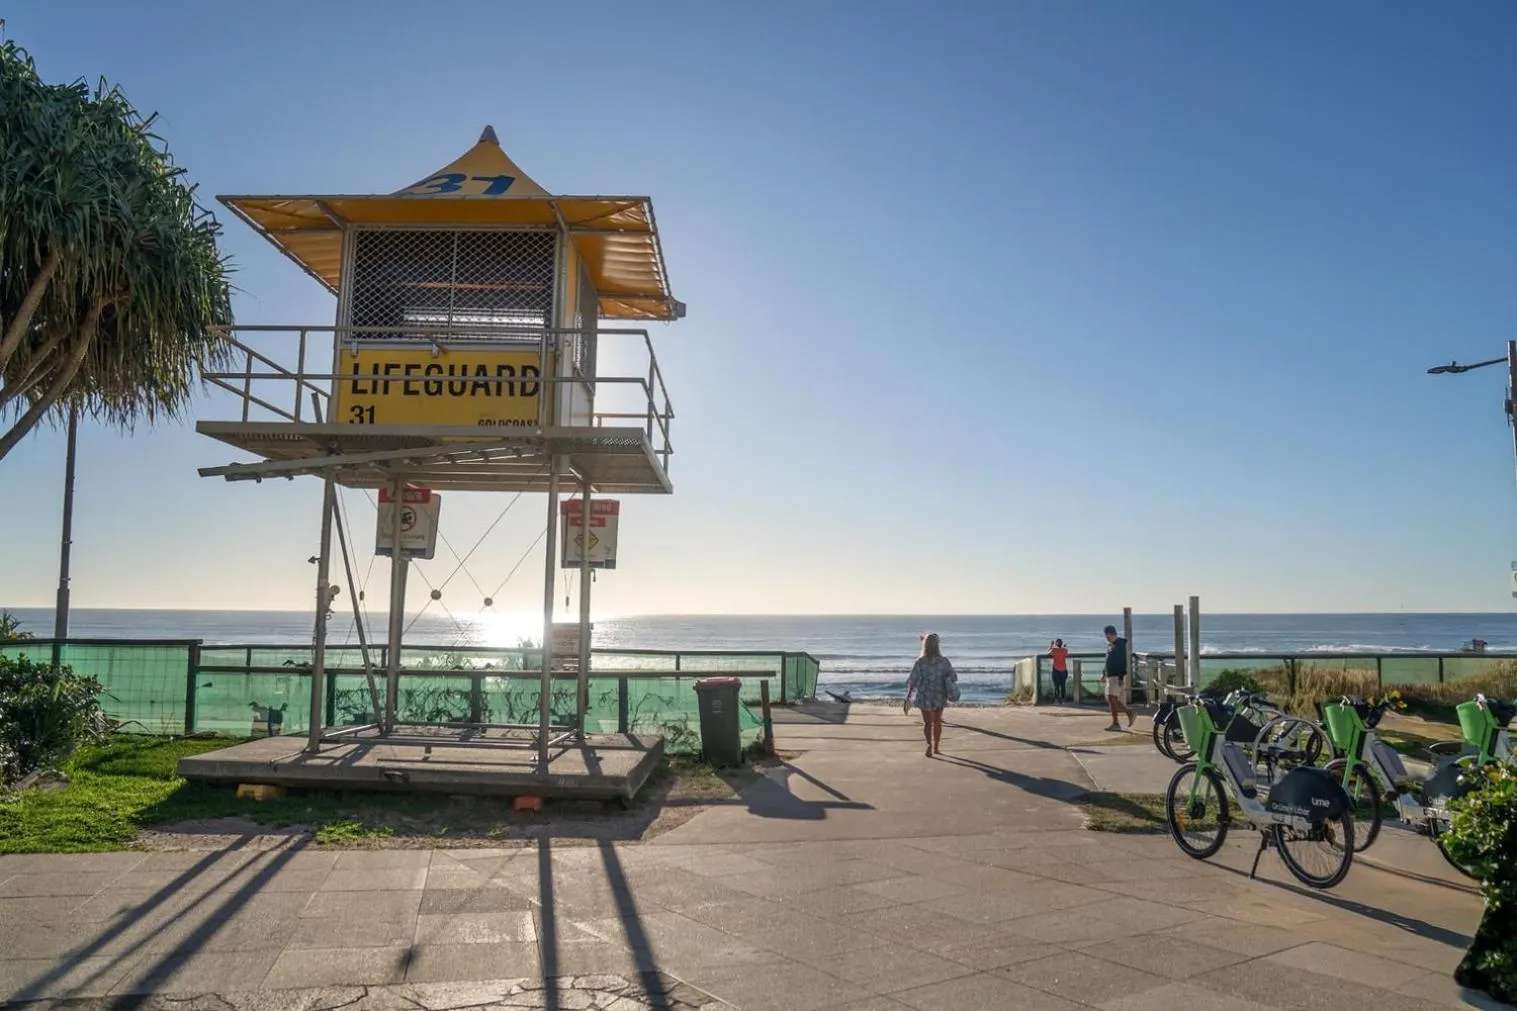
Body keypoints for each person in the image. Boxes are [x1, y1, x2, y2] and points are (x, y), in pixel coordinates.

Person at [905, 632, 957, 757]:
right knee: (937, 721)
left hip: (924, 695)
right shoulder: (944, 661)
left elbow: (913, 681)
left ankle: (929, 745)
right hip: (939, 694)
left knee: (928, 723)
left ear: (925, 645)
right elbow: (953, 677)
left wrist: (909, 698)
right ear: (938, 645)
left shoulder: (920, 662)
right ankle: (937, 747)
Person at [1102, 624, 1134, 730]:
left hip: (1116, 676)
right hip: (1110, 676)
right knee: (1111, 699)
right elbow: (1107, 661)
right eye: (1106, 635)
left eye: (1108, 635)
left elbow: (1122, 661)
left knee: (1112, 698)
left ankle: (1116, 723)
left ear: (1113, 634)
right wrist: (1104, 673)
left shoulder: (1119, 645)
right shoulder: (1110, 645)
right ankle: (1129, 713)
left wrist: (1120, 677)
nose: (1107, 637)